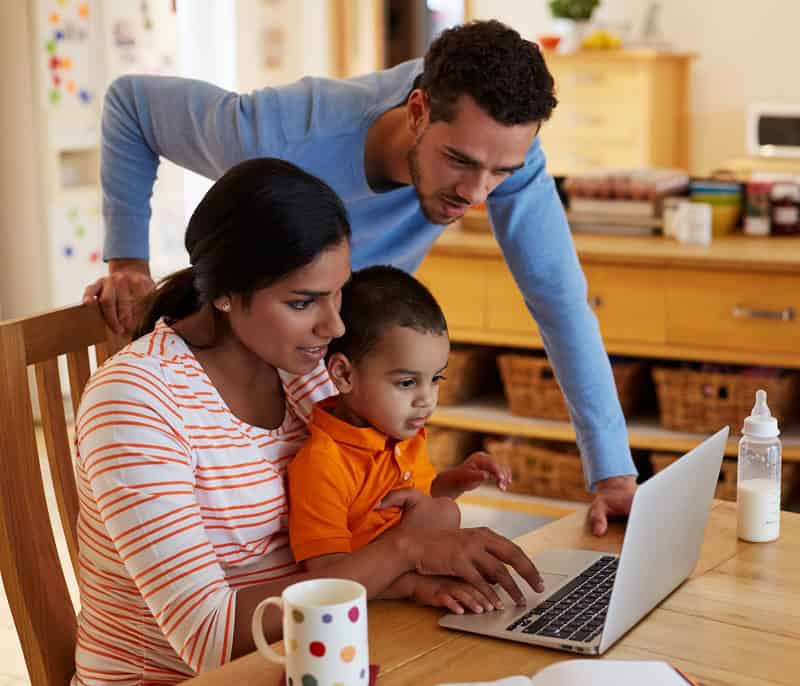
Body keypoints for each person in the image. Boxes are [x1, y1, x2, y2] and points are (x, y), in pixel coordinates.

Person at [84, 19, 638, 535]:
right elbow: (131, 104)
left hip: (332, 368)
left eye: (501, 172)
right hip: (255, 367)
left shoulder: (498, 146)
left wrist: (612, 474)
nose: (476, 194)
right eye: (459, 161)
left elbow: (560, 301)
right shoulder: (276, 133)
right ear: (417, 111)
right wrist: (127, 260)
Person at [72, 158, 543, 684]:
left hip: (317, 655)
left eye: (338, 291)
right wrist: (406, 547)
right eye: (303, 302)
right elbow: (209, 639)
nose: (335, 324)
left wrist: (416, 547)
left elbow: (352, 519)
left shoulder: (306, 371)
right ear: (224, 294)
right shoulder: (135, 402)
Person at [288, 265, 517, 615]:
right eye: (407, 383)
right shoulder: (321, 464)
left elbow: (409, 509)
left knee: (445, 511)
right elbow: (327, 578)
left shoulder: (401, 437)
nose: (427, 399)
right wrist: (417, 586)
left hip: (415, 594)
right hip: (367, 612)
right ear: (344, 374)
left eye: (436, 379)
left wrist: (453, 481)